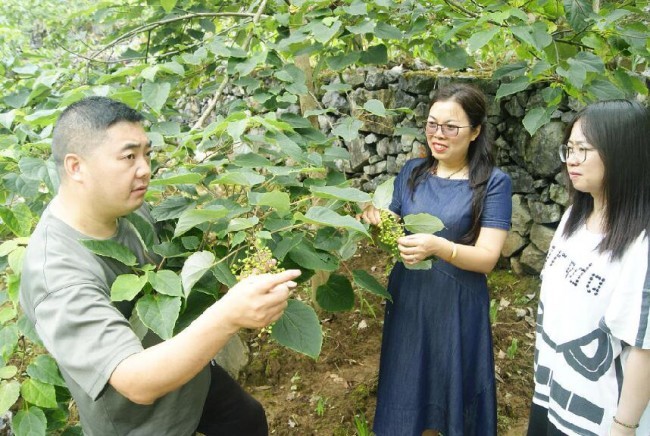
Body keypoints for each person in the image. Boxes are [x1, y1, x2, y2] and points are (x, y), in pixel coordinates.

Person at [19, 96, 301, 436]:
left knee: (246, 419)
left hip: (190, 375)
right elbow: (135, 381)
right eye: (128, 156)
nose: (145, 169)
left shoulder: (129, 208)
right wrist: (229, 315)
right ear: (76, 167)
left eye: (146, 154)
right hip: (143, 422)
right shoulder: (56, 275)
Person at [361, 83, 512, 435]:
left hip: (457, 306)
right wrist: (374, 221)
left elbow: (488, 257)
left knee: (450, 395)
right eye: (432, 124)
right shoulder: (412, 172)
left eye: (451, 127)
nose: (438, 135)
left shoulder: (492, 183)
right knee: (408, 389)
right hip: (410, 299)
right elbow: (394, 232)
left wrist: (440, 247)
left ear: (475, 132)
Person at [527, 100, 650, 436]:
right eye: (569, 148)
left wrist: (623, 428)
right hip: (552, 396)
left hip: (598, 419)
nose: (572, 159)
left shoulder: (642, 242)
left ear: (623, 152)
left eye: (584, 148)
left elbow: (644, 348)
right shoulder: (574, 218)